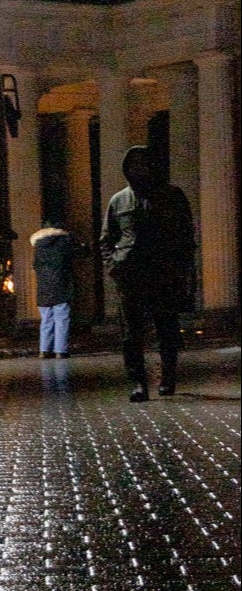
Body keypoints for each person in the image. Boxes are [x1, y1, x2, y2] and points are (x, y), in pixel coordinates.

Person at [101, 145, 196, 402]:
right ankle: (138, 382)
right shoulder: (118, 200)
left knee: (167, 328)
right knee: (131, 334)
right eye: (133, 165)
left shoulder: (172, 196)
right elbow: (107, 239)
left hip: (163, 272)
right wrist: (114, 266)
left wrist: (182, 269)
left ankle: (168, 377)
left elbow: (186, 235)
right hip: (131, 275)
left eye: (144, 164)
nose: (139, 169)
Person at [32, 218, 77, 359]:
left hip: (43, 288)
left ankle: (44, 350)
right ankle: (61, 350)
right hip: (61, 285)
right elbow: (81, 252)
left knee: (46, 319)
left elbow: (35, 266)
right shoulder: (65, 242)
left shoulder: (38, 246)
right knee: (62, 318)